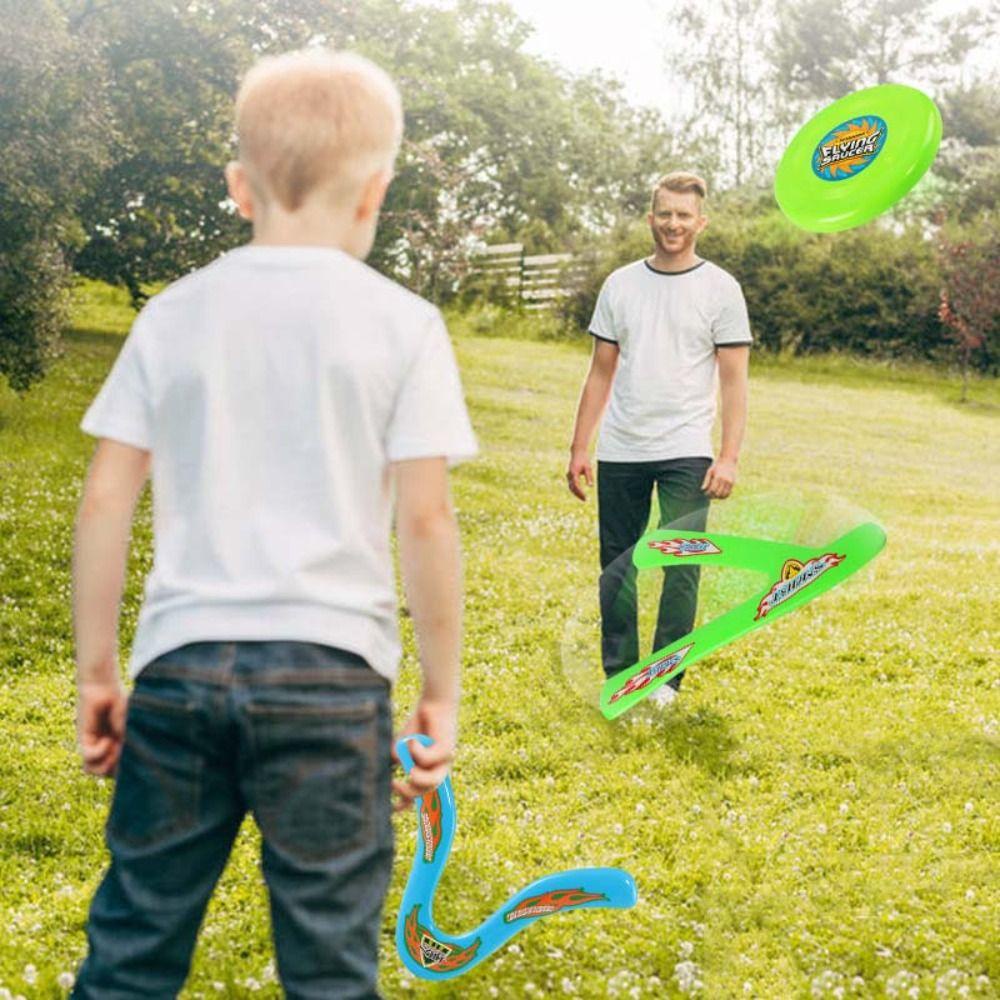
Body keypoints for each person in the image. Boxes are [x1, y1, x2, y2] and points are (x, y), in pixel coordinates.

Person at [70, 48, 477, 999]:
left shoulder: (173, 315)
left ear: (238, 188)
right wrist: (440, 692)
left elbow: (104, 500)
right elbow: (425, 521)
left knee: (134, 940)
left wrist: (99, 673)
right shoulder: (403, 324)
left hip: (179, 668)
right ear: (376, 191)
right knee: (329, 954)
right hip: (331, 680)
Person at [566, 171, 750, 708]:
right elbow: (600, 371)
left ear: (701, 222)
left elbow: (735, 380)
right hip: (622, 447)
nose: (674, 224)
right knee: (617, 568)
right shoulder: (620, 284)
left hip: (688, 449)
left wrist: (729, 456)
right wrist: (581, 446)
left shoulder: (721, 289)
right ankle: (621, 675)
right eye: (665, 213)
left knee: (681, 566)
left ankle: (667, 679)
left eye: (684, 215)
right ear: (651, 217)